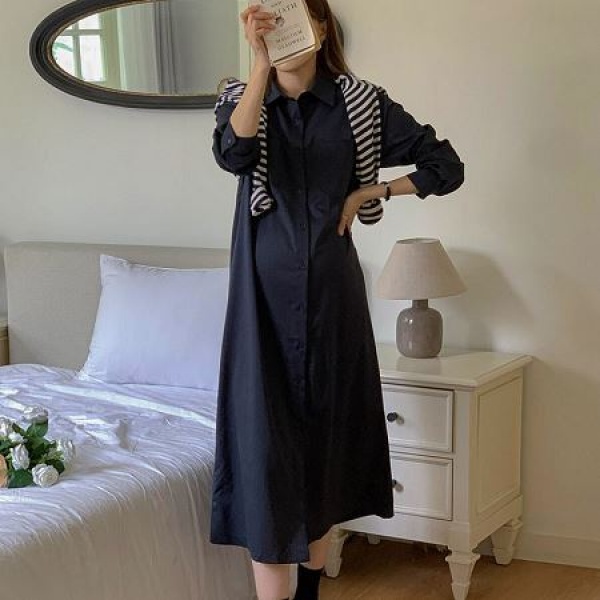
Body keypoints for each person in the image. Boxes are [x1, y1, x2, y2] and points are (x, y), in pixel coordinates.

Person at [210, 1, 465, 599]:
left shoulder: (361, 103)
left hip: (333, 302)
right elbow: (234, 155)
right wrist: (258, 66)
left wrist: (373, 191)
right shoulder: (240, 99)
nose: (282, 31)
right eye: (271, 21)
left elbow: (445, 165)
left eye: (294, 17)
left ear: (321, 28)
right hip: (261, 310)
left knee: (323, 452)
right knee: (267, 458)